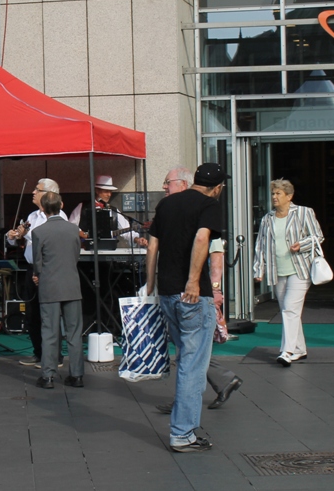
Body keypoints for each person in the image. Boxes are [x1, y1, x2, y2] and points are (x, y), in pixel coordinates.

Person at [144, 163, 224, 453]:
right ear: (218, 188)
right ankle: (183, 433)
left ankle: (185, 425)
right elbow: (202, 239)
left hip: (166, 293)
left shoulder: (167, 204)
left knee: (186, 359)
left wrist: (150, 283)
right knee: (192, 365)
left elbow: (153, 245)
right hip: (192, 296)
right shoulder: (208, 205)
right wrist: (193, 282)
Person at [154, 166, 242, 413]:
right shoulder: (194, 207)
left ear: (183, 184)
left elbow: (213, 251)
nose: (164, 187)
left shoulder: (197, 209)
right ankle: (219, 384)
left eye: (168, 182)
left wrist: (213, 288)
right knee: (190, 351)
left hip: (186, 290)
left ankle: (188, 407)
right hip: (188, 291)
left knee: (189, 352)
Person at [252, 179, 324, 366]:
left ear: (289, 196)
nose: (274, 197)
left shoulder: (303, 212)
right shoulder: (267, 218)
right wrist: (259, 269)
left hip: (299, 269)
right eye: (273, 194)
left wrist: (302, 245)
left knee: (290, 308)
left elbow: (318, 236)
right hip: (278, 271)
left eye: (278, 194)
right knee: (288, 310)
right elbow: (260, 245)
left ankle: (287, 351)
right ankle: (299, 349)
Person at [6, 179, 67, 368]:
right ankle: (38, 352)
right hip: (32, 267)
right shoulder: (32, 216)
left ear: (48, 194)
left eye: (37, 190)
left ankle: (54, 356)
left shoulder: (59, 216)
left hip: (49, 269)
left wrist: (25, 235)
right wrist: (13, 237)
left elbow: (50, 239)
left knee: (49, 313)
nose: (33, 192)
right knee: (32, 313)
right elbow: (21, 239)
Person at [31, 192, 84, 389]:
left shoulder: (39, 232)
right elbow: (76, 255)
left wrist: (38, 274)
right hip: (71, 284)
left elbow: (38, 262)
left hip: (49, 285)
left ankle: (48, 376)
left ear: (42, 209)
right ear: (62, 205)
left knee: (50, 332)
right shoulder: (73, 230)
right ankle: (77, 375)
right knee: (74, 332)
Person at [68, 174, 143, 247]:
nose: (109, 194)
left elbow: (126, 228)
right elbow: (70, 226)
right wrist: (84, 235)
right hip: (86, 249)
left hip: (108, 250)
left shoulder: (113, 211)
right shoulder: (82, 206)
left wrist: (137, 239)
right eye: (106, 191)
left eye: (110, 192)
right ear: (97, 191)